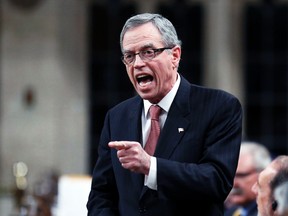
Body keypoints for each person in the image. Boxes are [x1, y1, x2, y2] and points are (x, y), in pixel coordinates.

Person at [86, 13, 243, 216]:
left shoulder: (219, 106)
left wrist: (150, 166)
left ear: (175, 56)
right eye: (129, 56)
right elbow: (101, 194)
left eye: (148, 52)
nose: (137, 64)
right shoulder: (117, 117)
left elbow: (216, 181)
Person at [224, 141, 272, 216]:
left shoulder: (272, 212)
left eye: (241, 176)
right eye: (231, 175)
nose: (234, 184)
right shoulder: (231, 212)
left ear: (263, 175)